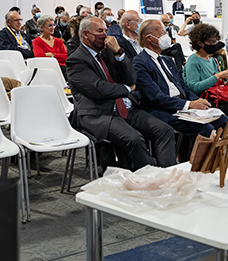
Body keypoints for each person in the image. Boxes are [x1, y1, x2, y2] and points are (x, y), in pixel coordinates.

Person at [67, 16, 176, 170]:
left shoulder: (108, 51)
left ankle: (168, 174)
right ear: (85, 34)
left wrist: (119, 53)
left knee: (164, 130)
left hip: (126, 108)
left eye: (105, 30)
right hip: (100, 113)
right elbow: (99, 89)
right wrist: (126, 89)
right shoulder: (76, 60)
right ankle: (149, 178)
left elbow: (132, 78)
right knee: (134, 139)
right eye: (99, 31)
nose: (105, 35)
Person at [133, 20, 228, 149]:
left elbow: (183, 87)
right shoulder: (140, 62)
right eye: (162, 33)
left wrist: (197, 101)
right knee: (206, 128)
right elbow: (155, 97)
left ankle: (223, 160)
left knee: (225, 120)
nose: (166, 36)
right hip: (164, 110)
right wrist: (189, 104)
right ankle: (202, 166)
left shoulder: (167, 60)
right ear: (150, 38)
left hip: (183, 106)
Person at [183, 23, 228, 134]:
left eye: (215, 41)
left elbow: (216, 86)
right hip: (205, 103)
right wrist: (217, 77)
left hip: (217, 100)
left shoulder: (212, 60)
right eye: (211, 42)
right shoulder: (193, 61)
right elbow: (193, 87)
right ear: (200, 43)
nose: (214, 44)